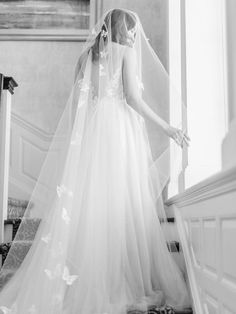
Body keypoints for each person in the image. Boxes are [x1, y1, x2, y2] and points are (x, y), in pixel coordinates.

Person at [0, 8, 190, 314]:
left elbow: (78, 105)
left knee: (91, 203)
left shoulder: (86, 57)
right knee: (119, 202)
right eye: (131, 30)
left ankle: (83, 280)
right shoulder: (126, 53)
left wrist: (82, 141)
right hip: (118, 130)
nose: (133, 36)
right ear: (122, 30)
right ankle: (117, 278)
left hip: (93, 132)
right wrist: (168, 128)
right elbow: (132, 98)